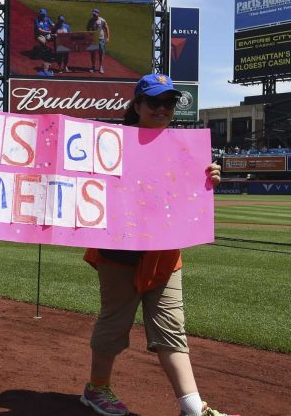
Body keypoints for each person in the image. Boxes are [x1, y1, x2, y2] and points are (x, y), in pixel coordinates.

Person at [79, 74, 235, 416]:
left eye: (169, 103)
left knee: (171, 328)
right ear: (137, 105)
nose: (162, 109)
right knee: (114, 325)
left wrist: (208, 178)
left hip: (164, 253)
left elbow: (183, 198)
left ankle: (192, 407)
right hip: (117, 251)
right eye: (154, 102)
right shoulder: (111, 142)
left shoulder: (185, 149)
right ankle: (96, 388)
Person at [86, 8, 110, 74]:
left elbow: (106, 28)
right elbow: (87, 28)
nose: (94, 15)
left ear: (98, 14)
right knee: (93, 53)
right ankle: (93, 66)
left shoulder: (102, 20)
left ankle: (100, 66)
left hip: (101, 39)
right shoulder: (90, 20)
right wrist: (89, 35)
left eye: (95, 14)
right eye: (93, 14)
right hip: (93, 39)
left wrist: (107, 37)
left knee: (101, 53)